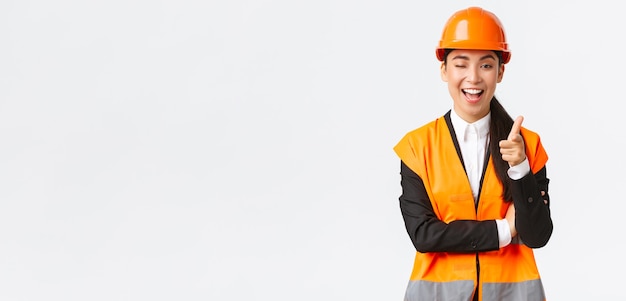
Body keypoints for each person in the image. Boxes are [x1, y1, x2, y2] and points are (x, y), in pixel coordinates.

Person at [393, 6, 553, 301]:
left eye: (486, 65)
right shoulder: (417, 147)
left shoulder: (527, 146)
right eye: (461, 64)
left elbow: (536, 235)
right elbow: (424, 235)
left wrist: (519, 168)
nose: (473, 77)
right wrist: (504, 230)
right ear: (444, 69)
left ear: (500, 71)